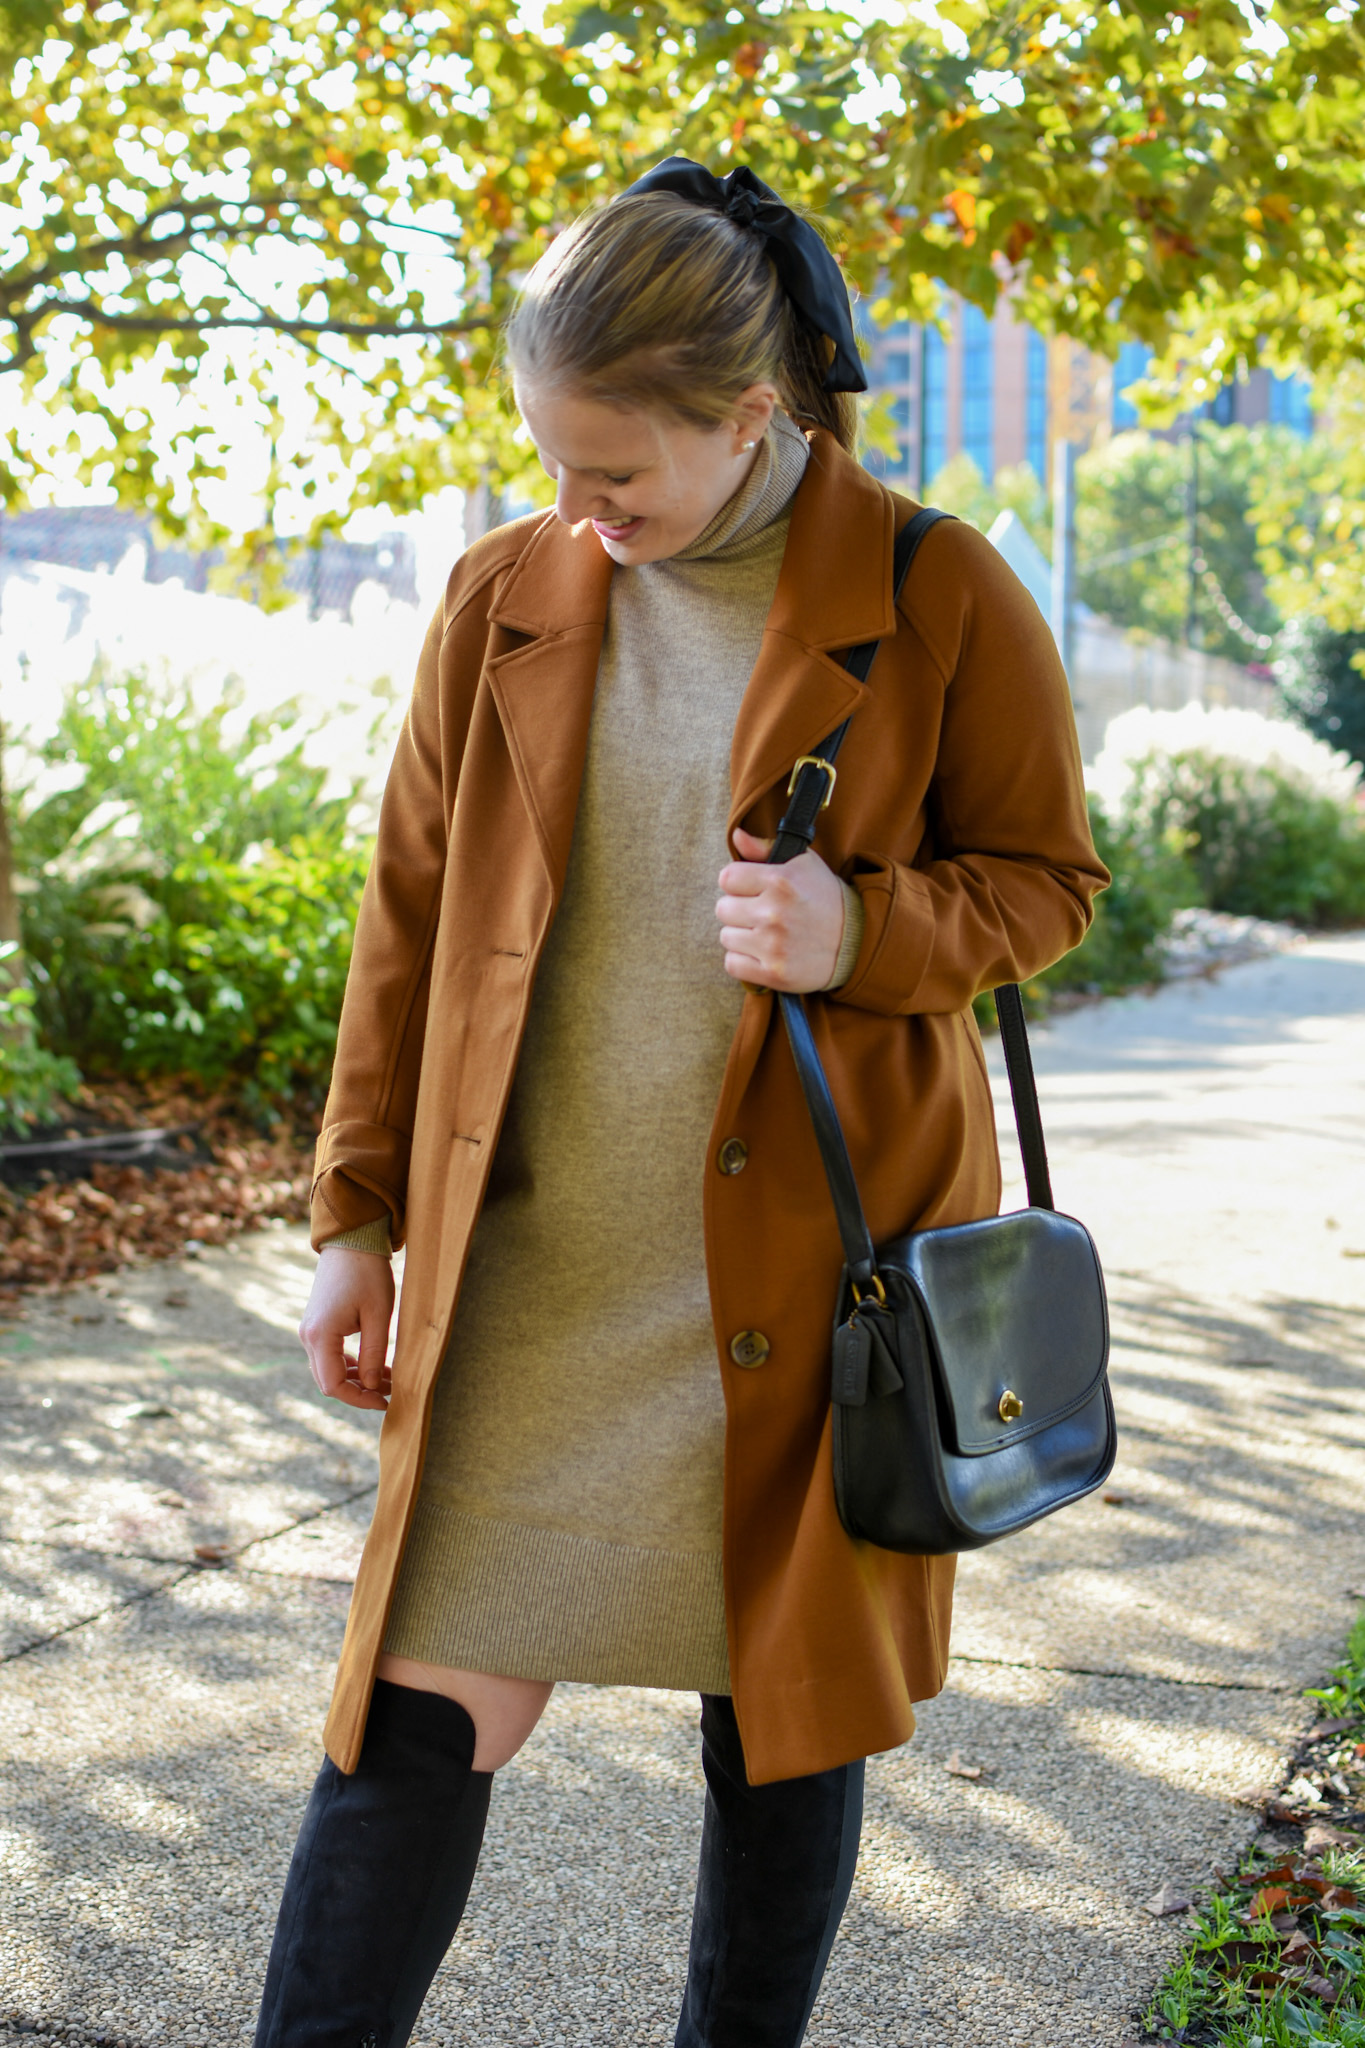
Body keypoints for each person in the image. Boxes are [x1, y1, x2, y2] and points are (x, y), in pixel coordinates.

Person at [252, 157, 1108, 2048]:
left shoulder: (932, 586)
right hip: (534, 1279)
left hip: (822, 1276)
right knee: (403, 1719)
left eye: (614, 473)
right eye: (555, 465)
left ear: (748, 418)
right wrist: (354, 1219)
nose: (580, 509)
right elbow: (408, 921)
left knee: (780, 1730)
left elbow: (1047, 878)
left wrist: (859, 927)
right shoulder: (505, 597)